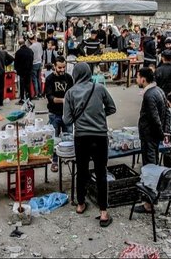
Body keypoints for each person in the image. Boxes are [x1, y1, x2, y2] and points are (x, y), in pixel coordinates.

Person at [63, 62, 116, 227]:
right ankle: (103, 212)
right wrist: (99, 116)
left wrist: (80, 118)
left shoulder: (70, 93)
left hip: (81, 138)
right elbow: (112, 108)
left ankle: (80, 204)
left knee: (82, 171)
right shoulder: (99, 88)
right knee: (101, 173)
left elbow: (67, 120)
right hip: (100, 137)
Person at [135, 67, 170, 213]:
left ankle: (148, 203)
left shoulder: (149, 95)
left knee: (150, 168)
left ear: (143, 79)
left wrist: (162, 134)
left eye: (137, 77)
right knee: (153, 163)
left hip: (150, 136)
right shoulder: (159, 91)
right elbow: (167, 113)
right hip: (155, 136)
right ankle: (150, 199)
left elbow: (155, 118)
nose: (137, 80)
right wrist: (165, 132)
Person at [45, 56, 74, 172]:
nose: (62, 70)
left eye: (63, 67)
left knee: (68, 138)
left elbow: (73, 93)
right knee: (55, 140)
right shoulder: (49, 79)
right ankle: (55, 161)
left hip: (67, 114)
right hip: (54, 114)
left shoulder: (69, 78)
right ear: (54, 67)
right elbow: (50, 97)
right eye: (59, 67)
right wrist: (64, 100)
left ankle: (68, 158)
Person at [14, 38, 34, 104]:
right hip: (29, 71)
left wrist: (17, 70)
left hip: (22, 72)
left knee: (22, 85)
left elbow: (16, 63)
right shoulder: (30, 51)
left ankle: (22, 98)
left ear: (19, 44)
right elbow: (32, 60)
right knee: (28, 85)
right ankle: (29, 97)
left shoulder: (18, 52)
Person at [27, 33, 43, 99]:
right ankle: (40, 93)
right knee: (39, 78)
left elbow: (30, 56)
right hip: (40, 62)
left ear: (30, 40)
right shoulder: (39, 44)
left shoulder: (31, 47)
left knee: (34, 79)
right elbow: (41, 53)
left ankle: (36, 94)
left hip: (34, 63)